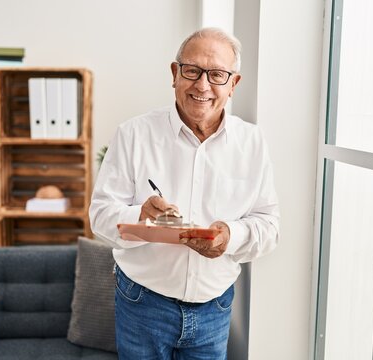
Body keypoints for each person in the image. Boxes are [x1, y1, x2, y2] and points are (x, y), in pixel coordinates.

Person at [89, 27, 279, 359]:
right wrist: (141, 216)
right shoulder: (133, 134)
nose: (202, 85)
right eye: (192, 71)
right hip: (142, 303)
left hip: (214, 307)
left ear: (233, 85)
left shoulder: (252, 142)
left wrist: (230, 236)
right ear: (175, 74)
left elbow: (269, 227)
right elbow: (100, 216)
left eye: (217, 75)